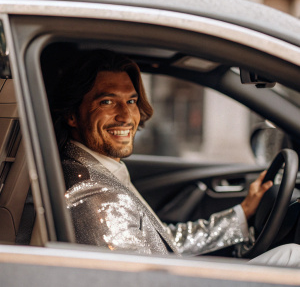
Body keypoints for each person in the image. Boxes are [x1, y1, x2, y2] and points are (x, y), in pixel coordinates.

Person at [50, 49, 299, 264]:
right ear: (72, 115)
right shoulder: (95, 194)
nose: (126, 116)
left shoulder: (97, 169)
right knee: (292, 257)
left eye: (131, 100)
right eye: (107, 102)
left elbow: (164, 242)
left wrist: (242, 214)